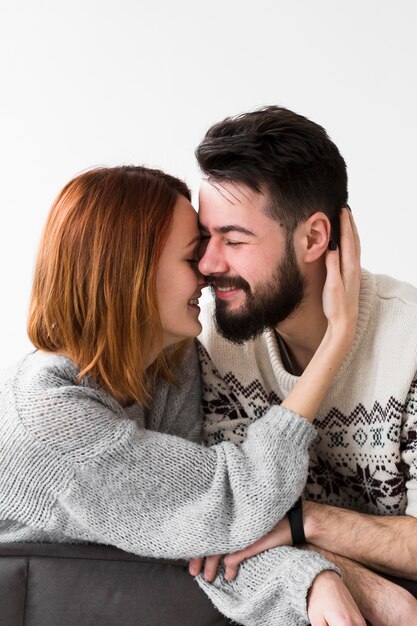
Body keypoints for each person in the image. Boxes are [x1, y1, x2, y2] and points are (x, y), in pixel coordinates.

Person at [0, 165, 365, 625]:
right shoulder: (49, 416)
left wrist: (311, 581)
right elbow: (238, 498)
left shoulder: (168, 361)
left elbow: (202, 534)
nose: (209, 272)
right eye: (193, 257)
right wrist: (337, 339)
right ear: (131, 271)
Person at [194, 106, 417, 626]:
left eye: (234, 239)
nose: (208, 264)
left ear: (314, 239)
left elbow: (263, 526)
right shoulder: (219, 342)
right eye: (206, 237)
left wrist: (303, 522)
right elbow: (225, 527)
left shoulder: (410, 344)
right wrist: (351, 582)